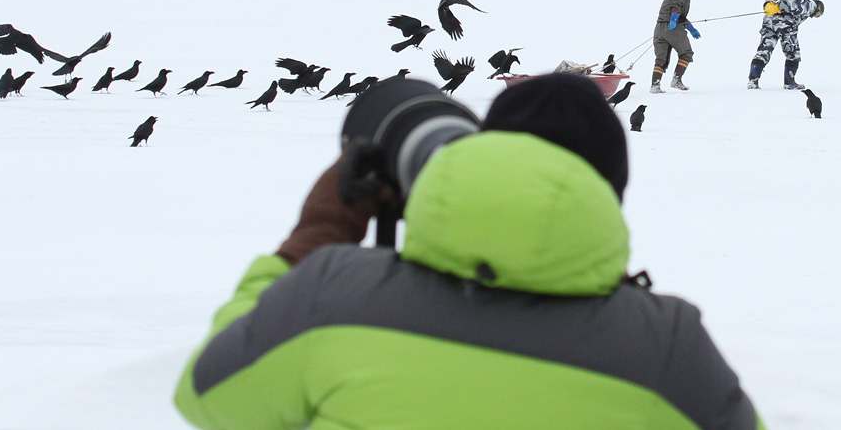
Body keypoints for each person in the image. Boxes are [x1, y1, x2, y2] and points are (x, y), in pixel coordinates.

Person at [173, 73, 765, 430]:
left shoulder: (332, 297)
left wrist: (318, 235)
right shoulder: (667, 346)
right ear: (605, 194)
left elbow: (207, 395)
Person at [747, 0, 824, 89]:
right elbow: (788, 4)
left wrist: (769, 5)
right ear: (818, 9)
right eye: (818, 15)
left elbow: (773, 0)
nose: (814, 17)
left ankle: (753, 81)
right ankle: (789, 82)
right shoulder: (810, 4)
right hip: (785, 26)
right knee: (793, 54)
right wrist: (779, 7)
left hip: (769, 21)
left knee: (764, 51)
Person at [652, 0, 701, 93]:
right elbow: (677, 4)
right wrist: (674, 18)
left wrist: (691, 28)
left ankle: (655, 85)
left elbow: (680, 16)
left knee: (661, 59)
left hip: (659, 27)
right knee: (686, 53)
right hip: (672, 27)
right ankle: (677, 80)